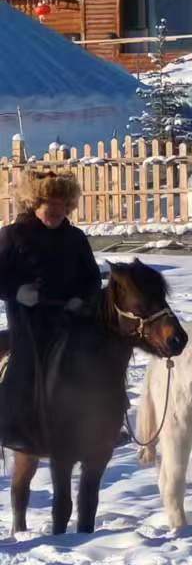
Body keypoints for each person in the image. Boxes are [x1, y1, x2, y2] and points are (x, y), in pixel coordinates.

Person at [0, 169, 102, 454]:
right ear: (35, 204)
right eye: (50, 206)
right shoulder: (12, 235)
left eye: (62, 206)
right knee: (28, 360)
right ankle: (14, 427)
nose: (56, 212)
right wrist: (17, 291)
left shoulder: (76, 238)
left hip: (70, 315)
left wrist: (81, 299)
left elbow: (92, 279)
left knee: (98, 356)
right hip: (28, 319)